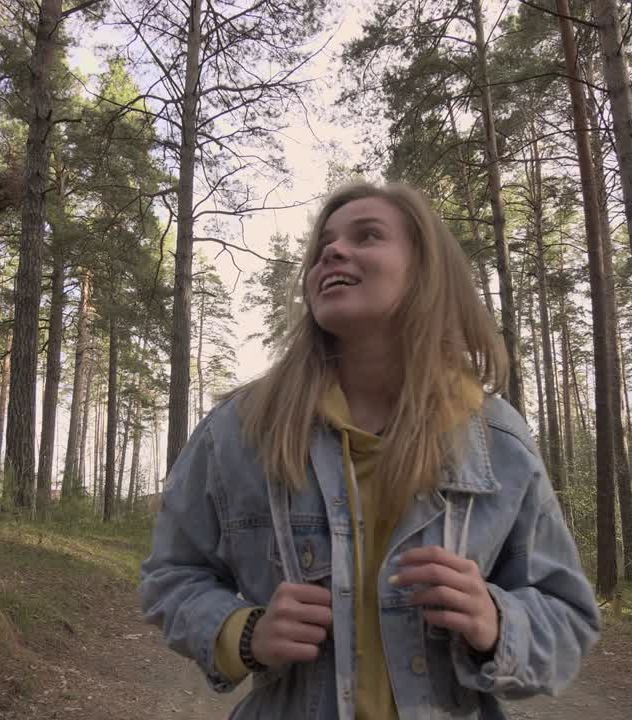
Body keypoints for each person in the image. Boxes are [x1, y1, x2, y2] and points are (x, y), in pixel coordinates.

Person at [141, 182, 599, 719]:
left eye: (367, 236)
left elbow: (568, 619)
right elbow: (171, 575)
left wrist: (495, 621)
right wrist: (245, 633)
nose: (332, 251)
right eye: (323, 246)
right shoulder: (240, 430)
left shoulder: (496, 439)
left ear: (425, 271)